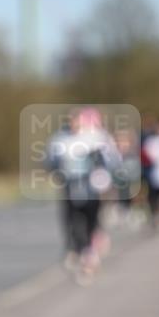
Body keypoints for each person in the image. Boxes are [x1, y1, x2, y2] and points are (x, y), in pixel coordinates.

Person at [48, 107, 120, 283]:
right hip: (70, 185)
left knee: (90, 220)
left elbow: (113, 160)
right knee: (71, 220)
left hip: (91, 186)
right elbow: (50, 160)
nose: (73, 124)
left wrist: (100, 167)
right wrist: (56, 170)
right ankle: (77, 250)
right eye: (70, 120)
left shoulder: (96, 137)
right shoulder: (59, 139)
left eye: (77, 120)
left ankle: (89, 254)